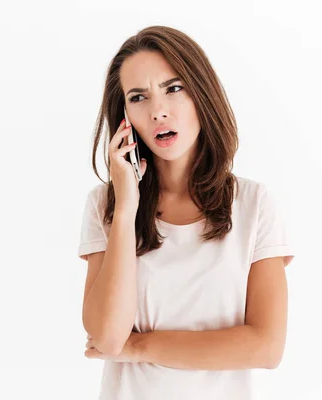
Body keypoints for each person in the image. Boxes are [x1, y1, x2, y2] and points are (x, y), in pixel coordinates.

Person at [77, 25, 295, 400]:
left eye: (173, 88)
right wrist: (127, 209)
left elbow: (265, 347)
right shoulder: (107, 206)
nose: (158, 111)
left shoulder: (254, 204)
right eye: (138, 97)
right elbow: (108, 337)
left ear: (201, 94)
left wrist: (140, 347)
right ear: (125, 117)